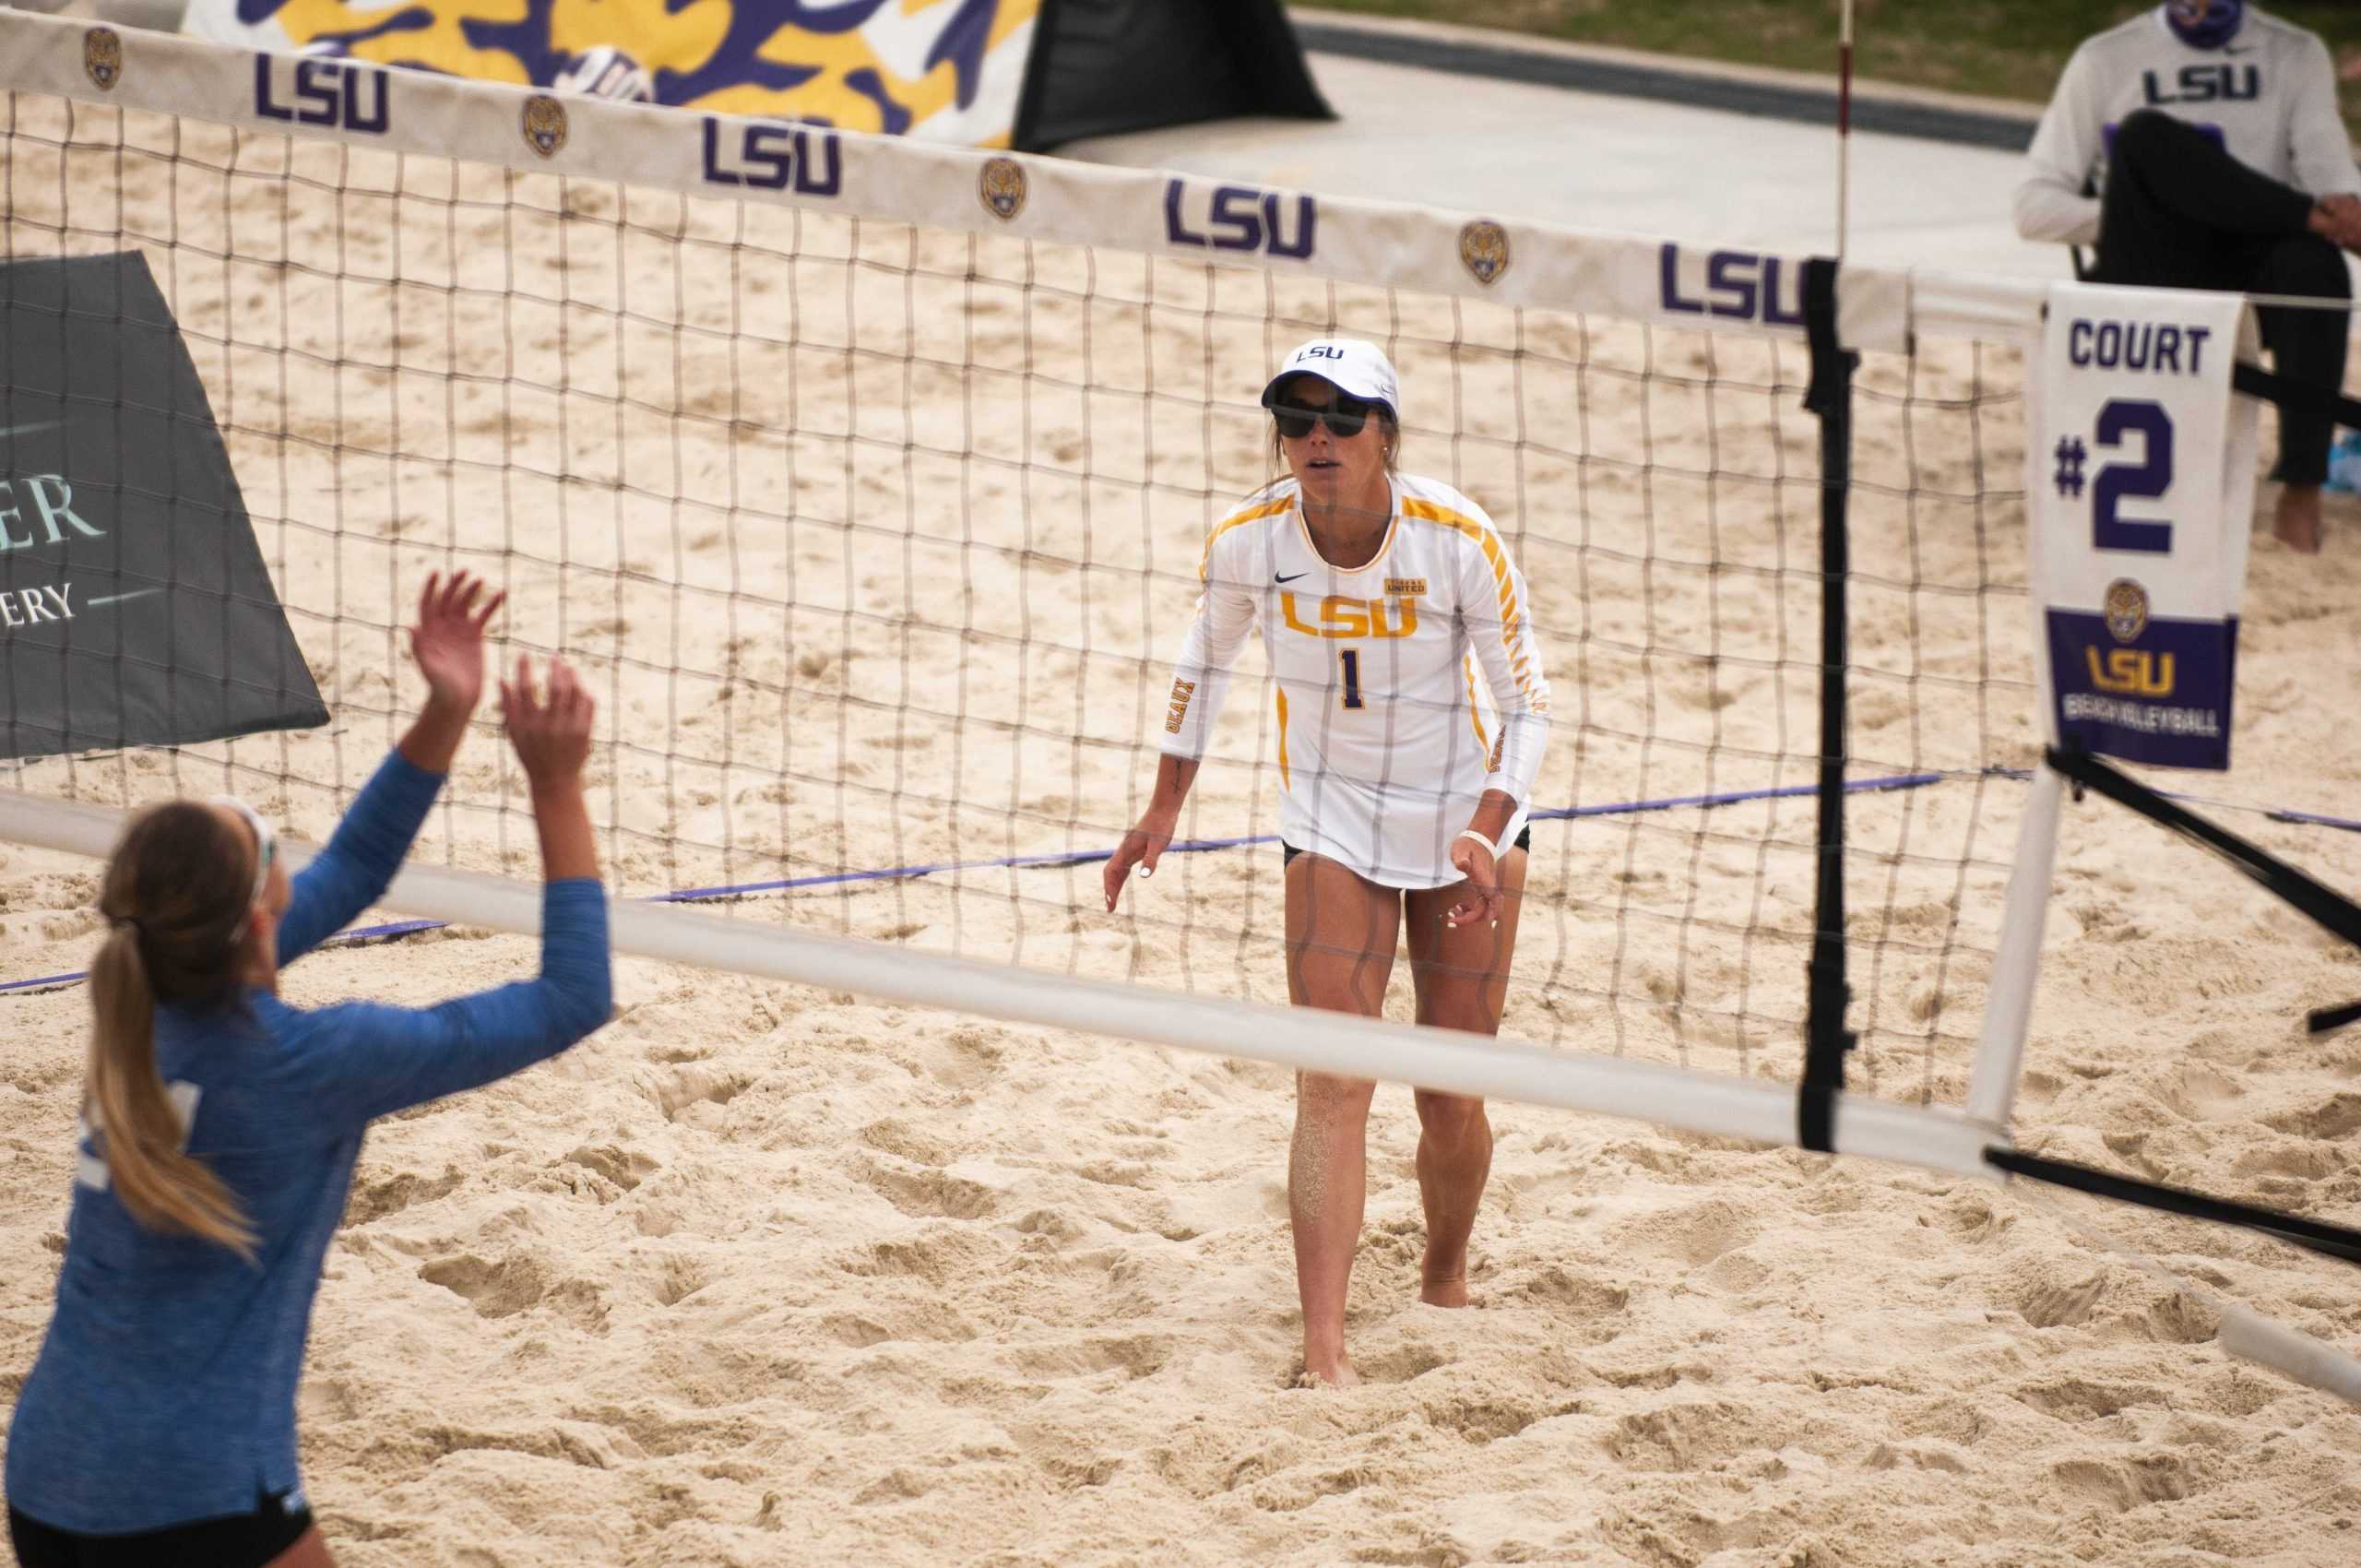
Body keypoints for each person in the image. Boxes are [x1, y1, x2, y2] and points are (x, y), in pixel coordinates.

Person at [5, 573, 611, 1568]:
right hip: (194, 1496)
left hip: (49, 1482)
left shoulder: (138, 1002)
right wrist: (556, 783)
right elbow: (572, 996)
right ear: (257, 919)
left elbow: (359, 870)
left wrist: (446, 708)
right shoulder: (312, 1061)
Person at [1104, 339, 1551, 1387]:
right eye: (1296, 417)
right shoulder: (1249, 539)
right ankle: (1324, 1347)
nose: (1317, 435)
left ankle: (1444, 1271)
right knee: (1332, 1084)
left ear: (1384, 433)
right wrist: (1163, 807)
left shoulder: (1455, 535)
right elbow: (1201, 664)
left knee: (1450, 1087)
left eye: (1343, 417)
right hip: (1330, 816)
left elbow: (1528, 705)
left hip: (1461, 819)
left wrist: (1487, 825)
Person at [2016, 0, 2361, 552]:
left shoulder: (2294, 53)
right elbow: (2034, 209)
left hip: (2257, 274)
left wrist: (2327, 211)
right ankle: (2290, 214)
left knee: (2315, 263)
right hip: (2151, 266)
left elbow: (2334, 186)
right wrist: (2152, 207)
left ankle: (2301, 486)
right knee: (2146, 137)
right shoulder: (2104, 58)